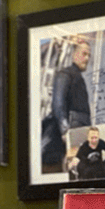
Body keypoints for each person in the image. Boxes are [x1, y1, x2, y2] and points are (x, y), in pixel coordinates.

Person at [45, 39, 92, 171]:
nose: (87, 58)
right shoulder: (65, 75)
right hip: (72, 127)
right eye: (84, 54)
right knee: (71, 165)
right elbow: (58, 104)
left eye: (89, 55)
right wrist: (65, 131)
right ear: (74, 54)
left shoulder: (76, 76)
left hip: (80, 127)